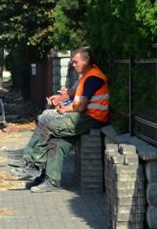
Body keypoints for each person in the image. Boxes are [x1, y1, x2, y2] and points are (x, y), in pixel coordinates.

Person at [13, 47, 110, 193]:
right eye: (72, 62)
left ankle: (34, 163)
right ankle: (51, 180)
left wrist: (65, 109)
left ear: (86, 61)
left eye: (76, 62)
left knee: (49, 126)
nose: (73, 65)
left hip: (91, 117)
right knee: (56, 143)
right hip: (86, 117)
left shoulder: (93, 77)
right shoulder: (87, 76)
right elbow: (78, 101)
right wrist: (64, 105)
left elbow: (82, 106)